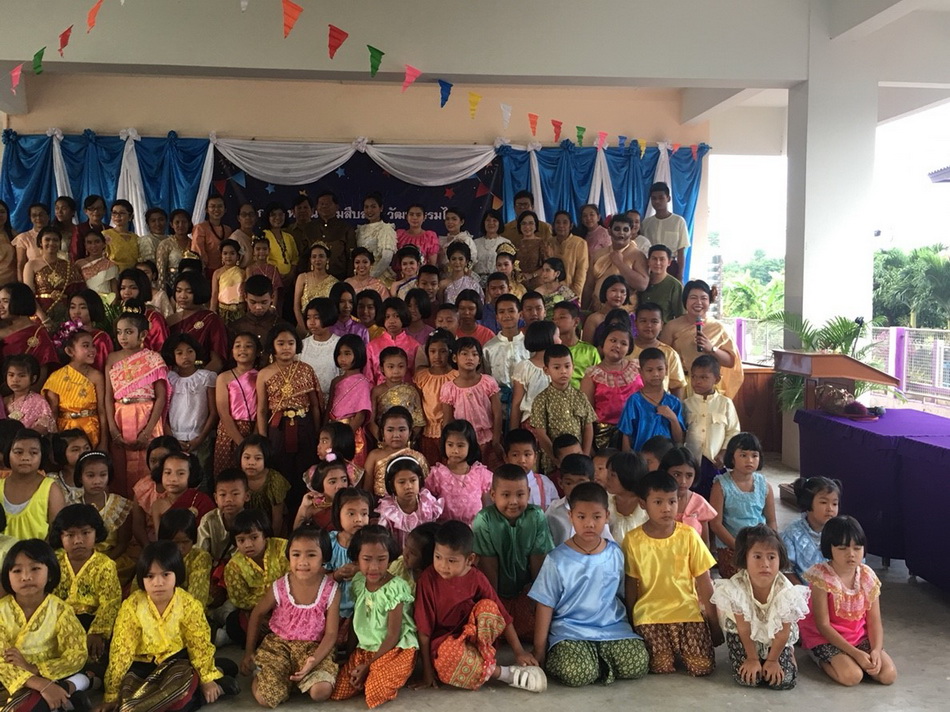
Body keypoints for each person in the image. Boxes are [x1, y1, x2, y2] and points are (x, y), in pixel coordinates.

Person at [530, 481, 648, 686]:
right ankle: (593, 664)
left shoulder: (615, 553)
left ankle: (597, 663)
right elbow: (545, 604)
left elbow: (624, 594)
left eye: (596, 517)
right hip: (570, 631)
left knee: (638, 663)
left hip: (612, 628)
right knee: (577, 673)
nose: (589, 524)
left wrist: (632, 627)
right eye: (581, 517)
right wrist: (539, 649)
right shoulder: (557, 559)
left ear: (607, 516)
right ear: (571, 517)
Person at [102, 541, 237, 712]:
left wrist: (207, 678)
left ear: (177, 574)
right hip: (142, 667)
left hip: (176, 663)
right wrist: (112, 694)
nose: (158, 582)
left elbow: (198, 643)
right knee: (127, 704)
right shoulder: (132, 606)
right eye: (150, 576)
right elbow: (121, 650)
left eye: (165, 574)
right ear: (142, 578)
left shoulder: (188, 604)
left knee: (180, 694)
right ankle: (217, 679)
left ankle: (206, 681)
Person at [413, 520, 546, 692]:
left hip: (476, 642)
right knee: (448, 656)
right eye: (438, 557)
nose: (443, 566)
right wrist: (427, 672)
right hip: (445, 646)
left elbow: (501, 614)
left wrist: (519, 652)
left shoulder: (476, 577)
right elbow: (424, 632)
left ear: (470, 559)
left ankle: (479, 662)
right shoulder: (427, 580)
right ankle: (505, 674)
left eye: (451, 560)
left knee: (488, 607)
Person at [623, 470, 721, 676]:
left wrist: (714, 625)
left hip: (687, 613)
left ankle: (679, 648)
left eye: (672, 501)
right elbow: (631, 584)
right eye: (658, 502)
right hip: (650, 616)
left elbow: (704, 582)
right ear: (643, 504)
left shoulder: (689, 535)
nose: (666, 508)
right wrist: (631, 621)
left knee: (702, 667)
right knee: (660, 666)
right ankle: (669, 650)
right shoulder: (632, 540)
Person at [240, 525, 341, 707]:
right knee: (265, 698)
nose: (302, 561)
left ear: (324, 557)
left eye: (311, 555)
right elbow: (257, 614)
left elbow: (331, 634)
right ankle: (267, 675)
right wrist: (249, 652)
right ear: (289, 556)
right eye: (296, 554)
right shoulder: (280, 586)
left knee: (321, 691)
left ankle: (295, 680)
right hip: (279, 648)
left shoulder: (331, 589)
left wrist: (313, 661)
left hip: (314, 649)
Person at [799, 516, 897, 686]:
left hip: (859, 637)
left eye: (857, 548)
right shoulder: (821, 577)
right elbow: (823, 625)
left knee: (888, 675)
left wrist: (875, 650)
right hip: (827, 638)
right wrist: (855, 654)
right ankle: (819, 659)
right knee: (852, 676)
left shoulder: (867, 576)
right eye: (842, 548)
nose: (851, 554)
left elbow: (874, 621)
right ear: (829, 548)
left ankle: (857, 659)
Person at [710, 524, 810, 690]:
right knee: (749, 679)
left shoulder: (786, 591)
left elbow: (782, 632)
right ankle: (755, 657)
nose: (765, 564)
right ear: (745, 559)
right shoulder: (737, 588)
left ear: (780, 560)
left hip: (776, 637)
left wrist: (772, 661)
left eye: (771, 557)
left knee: (783, 681)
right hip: (745, 636)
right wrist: (752, 659)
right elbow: (743, 628)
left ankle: (788, 652)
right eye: (757, 556)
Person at [329, 525, 418, 708]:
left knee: (374, 691)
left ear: (390, 558)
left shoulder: (396, 587)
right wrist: (351, 655)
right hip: (366, 647)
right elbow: (357, 620)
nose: (374, 567)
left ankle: (378, 673)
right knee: (338, 690)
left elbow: (393, 635)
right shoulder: (358, 582)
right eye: (367, 559)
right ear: (356, 559)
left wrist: (368, 665)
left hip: (396, 648)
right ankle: (372, 672)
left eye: (382, 559)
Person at [0, 539, 89, 712]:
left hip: (48, 675)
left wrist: (35, 669)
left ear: (50, 573)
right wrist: (40, 684)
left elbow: (76, 654)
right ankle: (71, 692)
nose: (26, 577)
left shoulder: (60, 610)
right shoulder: (2, 611)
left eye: (35, 569)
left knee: (30, 707)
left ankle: (68, 690)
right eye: (17, 571)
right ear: (7, 577)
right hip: (9, 678)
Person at [473, 464, 555, 640]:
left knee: (544, 621)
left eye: (520, 494)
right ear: (493, 495)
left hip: (526, 591)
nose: (513, 502)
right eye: (506, 495)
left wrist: (535, 599)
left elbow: (538, 562)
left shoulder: (536, 516)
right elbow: (489, 570)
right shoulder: (484, 520)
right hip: (496, 592)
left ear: (528, 493)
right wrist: (495, 607)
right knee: (488, 624)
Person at [256, 323, 321, 514]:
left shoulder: (306, 369)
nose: (286, 348)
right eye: (281, 343)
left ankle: (306, 512)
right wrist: (263, 439)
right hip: (277, 428)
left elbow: (315, 405)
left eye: (291, 343)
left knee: (306, 469)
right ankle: (282, 515)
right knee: (280, 469)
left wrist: (317, 432)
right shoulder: (264, 374)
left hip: (304, 426)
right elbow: (262, 410)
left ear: (297, 345)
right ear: (272, 346)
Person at [660, 279, 744, 398]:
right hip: (680, 386)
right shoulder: (672, 326)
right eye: (693, 298)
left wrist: (711, 349)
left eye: (704, 298)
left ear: (709, 301)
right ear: (685, 301)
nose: (698, 302)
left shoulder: (719, 328)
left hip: (709, 386)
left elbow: (731, 362)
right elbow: (662, 357)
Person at [710, 432, 776, 579]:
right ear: (732, 458)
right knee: (742, 577)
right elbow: (715, 524)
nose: (749, 460)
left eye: (754, 455)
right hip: (731, 546)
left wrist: (770, 544)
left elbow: (771, 521)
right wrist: (738, 546)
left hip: (760, 545)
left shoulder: (765, 486)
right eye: (743, 455)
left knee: (768, 574)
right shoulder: (721, 485)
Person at [224, 509, 289, 647]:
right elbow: (240, 600)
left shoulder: (283, 548)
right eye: (241, 540)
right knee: (235, 624)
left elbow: (296, 580)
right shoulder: (234, 566)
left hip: (290, 606)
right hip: (260, 612)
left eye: (254, 537)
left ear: (264, 535)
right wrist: (266, 606)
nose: (248, 545)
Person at [683, 354, 741, 498]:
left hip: (715, 461)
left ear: (717, 379)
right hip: (692, 462)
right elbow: (681, 432)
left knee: (715, 496)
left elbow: (733, 431)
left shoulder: (725, 403)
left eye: (703, 377)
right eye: (694, 376)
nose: (697, 381)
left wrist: (723, 453)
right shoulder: (686, 404)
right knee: (693, 497)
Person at [530, 345, 596, 469]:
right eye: (557, 367)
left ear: (573, 367)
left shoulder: (581, 396)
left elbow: (588, 427)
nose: (563, 371)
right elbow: (541, 434)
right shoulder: (541, 400)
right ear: (546, 370)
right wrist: (556, 459)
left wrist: (585, 455)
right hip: (553, 463)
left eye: (567, 366)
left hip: (579, 457)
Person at [440, 337, 502, 468]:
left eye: (474, 354)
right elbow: (448, 420)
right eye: (464, 354)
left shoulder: (488, 382)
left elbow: (497, 413)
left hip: (487, 438)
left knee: (488, 472)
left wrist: (496, 439)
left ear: (479, 359)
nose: (470, 358)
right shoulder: (448, 388)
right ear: (455, 358)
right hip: (462, 441)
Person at [163, 333, 218, 476]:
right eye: (179, 353)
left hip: (199, 436)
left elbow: (213, 412)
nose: (185, 356)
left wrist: (201, 437)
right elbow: (163, 412)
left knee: (200, 475)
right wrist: (172, 438)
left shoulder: (207, 377)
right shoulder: (169, 378)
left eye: (190, 351)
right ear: (172, 355)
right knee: (178, 474)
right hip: (175, 437)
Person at [581, 324, 641, 450]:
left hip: (637, 431)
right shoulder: (592, 375)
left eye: (623, 343)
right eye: (613, 340)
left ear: (629, 348)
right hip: (605, 437)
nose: (617, 345)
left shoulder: (637, 369)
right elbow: (586, 415)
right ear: (603, 342)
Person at [44, 331, 106, 449]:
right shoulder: (56, 377)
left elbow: (102, 410)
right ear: (70, 351)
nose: (92, 350)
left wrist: (104, 443)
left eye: (93, 345)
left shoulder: (97, 376)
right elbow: (53, 413)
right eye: (86, 346)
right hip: (65, 432)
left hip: (92, 430)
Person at [0, 429, 65, 540]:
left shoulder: (51, 489)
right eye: (18, 452)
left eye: (33, 453)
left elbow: (56, 535)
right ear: (8, 454)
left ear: (42, 456)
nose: (25, 458)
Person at [425, 420, 492, 526]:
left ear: (470, 446)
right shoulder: (437, 475)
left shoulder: (480, 474)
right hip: (445, 529)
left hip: (473, 530)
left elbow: (487, 507)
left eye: (460, 446)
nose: (455, 450)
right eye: (450, 445)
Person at [618, 347, 685, 452]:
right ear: (640, 372)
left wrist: (673, 419)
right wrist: (628, 460)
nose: (655, 374)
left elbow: (679, 440)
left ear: (666, 369)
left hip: (667, 458)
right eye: (649, 370)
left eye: (660, 369)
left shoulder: (674, 402)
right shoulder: (634, 401)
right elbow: (626, 435)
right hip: (641, 458)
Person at [325, 488, 373, 634]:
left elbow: (383, 570)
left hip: (362, 608)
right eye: (351, 513)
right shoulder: (329, 542)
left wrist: (360, 569)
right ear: (337, 514)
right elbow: (317, 579)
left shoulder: (371, 543)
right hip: (332, 608)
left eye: (364, 514)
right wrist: (337, 575)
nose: (359, 519)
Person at [214, 333, 260, 476]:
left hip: (255, 428)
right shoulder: (223, 377)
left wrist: (255, 436)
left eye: (248, 346)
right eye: (238, 346)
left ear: (257, 352)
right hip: (229, 430)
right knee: (227, 473)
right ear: (232, 351)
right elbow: (223, 412)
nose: (242, 349)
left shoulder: (261, 376)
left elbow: (263, 409)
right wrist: (240, 442)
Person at [581, 214, 649, 312]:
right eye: (617, 229)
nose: (621, 233)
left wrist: (620, 264)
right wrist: (583, 311)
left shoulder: (637, 255)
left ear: (631, 233)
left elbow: (642, 285)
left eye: (625, 230)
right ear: (609, 231)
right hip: (598, 310)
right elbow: (589, 286)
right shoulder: (599, 254)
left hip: (624, 313)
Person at [781, 476, 842, 584]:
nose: (830, 509)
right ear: (807, 502)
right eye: (823, 502)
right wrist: (802, 591)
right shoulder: (792, 534)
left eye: (834, 504)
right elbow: (786, 570)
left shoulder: (842, 532)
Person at [543, 454, 611, 546]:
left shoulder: (598, 510)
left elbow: (607, 542)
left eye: (581, 483)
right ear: (560, 483)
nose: (574, 488)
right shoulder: (553, 511)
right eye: (568, 483)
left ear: (592, 482)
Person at [482, 294, 528, 430]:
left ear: (520, 314)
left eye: (511, 311)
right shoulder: (488, 347)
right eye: (502, 312)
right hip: (499, 406)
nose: (507, 315)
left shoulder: (528, 344)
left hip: (525, 405)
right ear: (496, 317)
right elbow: (487, 378)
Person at [412, 330, 457, 464]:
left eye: (442, 351)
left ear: (450, 353)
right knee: (430, 466)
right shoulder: (422, 376)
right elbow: (417, 404)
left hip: (452, 430)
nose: (437, 356)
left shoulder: (456, 376)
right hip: (428, 430)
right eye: (432, 351)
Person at [363, 407, 428, 498]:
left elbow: (424, 490)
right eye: (390, 430)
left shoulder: (418, 457)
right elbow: (367, 491)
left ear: (410, 432)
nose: (396, 435)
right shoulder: (374, 456)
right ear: (382, 432)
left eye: (402, 430)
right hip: (380, 504)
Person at [0, 282, 60, 382]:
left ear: (20, 302)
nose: (0, 306)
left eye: (5, 301)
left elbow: (40, 376)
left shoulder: (38, 334)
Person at [24, 226, 83, 324]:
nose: (51, 243)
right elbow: (28, 295)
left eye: (55, 240)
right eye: (47, 240)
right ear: (40, 242)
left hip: (65, 316)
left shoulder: (68, 266)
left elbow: (77, 292)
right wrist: (43, 318)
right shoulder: (31, 265)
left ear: (60, 243)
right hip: (39, 316)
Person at [662, 446, 717, 549]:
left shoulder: (699, 503)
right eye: (676, 474)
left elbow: (705, 544)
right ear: (664, 472)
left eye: (689, 475)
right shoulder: (656, 501)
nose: (683, 481)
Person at [156, 509, 213, 608]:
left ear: (193, 540)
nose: (180, 548)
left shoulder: (200, 558)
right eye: (175, 543)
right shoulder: (155, 557)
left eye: (185, 542)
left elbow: (196, 599)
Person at [149, 451, 215, 536]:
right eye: (168, 473)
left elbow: (212, 532)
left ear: (191, 475)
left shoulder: (201, 500)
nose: (173, 479)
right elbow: (160, 538)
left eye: (181, 473)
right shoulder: (157, 505)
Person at [239, 435, 290, 538]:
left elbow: (277, 519)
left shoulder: (274, 480)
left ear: (266, 459)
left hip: (270, 530)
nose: (251, 463)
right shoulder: (237, 478)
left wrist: (271, 542)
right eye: (247, 457)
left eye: (257, 458)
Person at [633, 302, 687, 399]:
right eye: (643, 321)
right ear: (635, 323)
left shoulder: (670, 354)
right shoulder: (626, 350)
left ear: (661, 325)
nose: (648, 325)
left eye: (654, 321)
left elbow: (677, 388)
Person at [371, 347, 425, 443]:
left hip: (407, 440)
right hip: (384, 441)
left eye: (401, 366)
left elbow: (419, 421)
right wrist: (381, 438)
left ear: (406, 367)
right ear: (382, 368)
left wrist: (409, 438)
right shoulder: (376, 391)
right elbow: (371, 420)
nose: (396, 371)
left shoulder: (412, 391)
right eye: (391, 367)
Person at [509, 321, 556, 431]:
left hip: (556, 422)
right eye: (557, 336)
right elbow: (517, 403)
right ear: (547, 338)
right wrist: (513, 432)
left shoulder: (560, 367)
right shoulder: (525, 367)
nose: (561, 340)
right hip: (533, 424)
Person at [197, 468, 249, 567]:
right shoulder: (209, 520)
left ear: (247, 496)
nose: (228, 499)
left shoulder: (251, 522)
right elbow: (201, 553)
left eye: (235, 494)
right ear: (216, 498)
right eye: (223, 495)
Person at [640, 182, 690, 279]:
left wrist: (680, 275)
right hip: (650, 267)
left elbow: (681, 251)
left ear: (668, 198)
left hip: (671, 267)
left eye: (661, 198)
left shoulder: (679, 221)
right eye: (654, 198)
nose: (657, 201)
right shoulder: (646, 223)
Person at [365, 297, 419, 385]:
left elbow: (418, 377)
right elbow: (369, 378)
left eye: (396, 316)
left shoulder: (414, 345)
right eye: (387, 317)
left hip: (407, 391)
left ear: (403, 316)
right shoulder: (372, 346)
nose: (391, 321)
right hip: (380, 391)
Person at [298, 297, 341, 406]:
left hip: (334, 402)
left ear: (328, 317)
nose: (312, 322)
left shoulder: (339, 344)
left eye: (317, 317)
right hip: (307, 404)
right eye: (309, 318)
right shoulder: (302, 345)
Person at [505, 428, 558, 510]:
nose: (522, 460)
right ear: (506, 458)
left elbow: (556, 512)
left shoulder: (545, 484)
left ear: (535, 457)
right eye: (515, 455)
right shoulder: (500, 484)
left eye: (527, 454)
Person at [4, 355, 56, 434]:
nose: (15, 380)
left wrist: (24, 436)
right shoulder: (4, 401)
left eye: (22, 376)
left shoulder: (39, 401)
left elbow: (44, 426)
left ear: (33, 378)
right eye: (11, 375)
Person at [293, 243, 339, 333]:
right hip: (303, 327)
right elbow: (296, 307)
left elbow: (334, 311)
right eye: (314, 257)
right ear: (310, 259)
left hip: (325, 329)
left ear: (327, 259)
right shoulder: (302, 278)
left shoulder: (334, 282)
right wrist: (305, 330)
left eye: (321, 256)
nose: (317, 259)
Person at [551, 301, 598, 389]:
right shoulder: (550, 350)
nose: (556, 321)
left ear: (576, 322)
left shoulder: (590, 351)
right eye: (554, 318)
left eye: (562, 317)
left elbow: (598, 380)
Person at [603, 451, 648, 543]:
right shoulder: (603, 501)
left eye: (613, 475)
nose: (607, 478)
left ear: (628, 476)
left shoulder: (647, 506)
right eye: (608, 473)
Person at [311, 191, 356, 281]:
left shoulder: (346, 228)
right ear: (317, 207)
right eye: (321, 204)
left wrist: (349, 280)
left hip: (339, 279)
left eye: (328, 204)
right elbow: (303, 258)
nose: (324, 206)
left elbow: (351, 257)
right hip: (312, 279)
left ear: (337, 207)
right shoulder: (309, 228)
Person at [581, 275, 633, 345]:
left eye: (622, 292)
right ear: (605, 291)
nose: (618, 295)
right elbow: (586, 347)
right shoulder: (594, 319)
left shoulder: (629, 318)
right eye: (614, 290)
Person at [227, 274, 281, 343]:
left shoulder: (280, 327)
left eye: (264, 302)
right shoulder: (235, 328)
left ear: (272, 297)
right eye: (253, 302)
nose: (258, 307)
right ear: (245, 297)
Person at [355, 192, 397, 279]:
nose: (369, 210)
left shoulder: (386, 229)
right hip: (361, 274)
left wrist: (371, 277)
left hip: (380, 276)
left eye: (373, 207)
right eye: (366, 207)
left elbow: (386, 258)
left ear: (381, 208)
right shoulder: (360, 230)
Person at [261, 202, 300, 293]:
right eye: (273, 215)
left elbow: (295, 259)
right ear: (267, 217)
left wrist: (291, 274)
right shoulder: (262, 236)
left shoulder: (289, 237)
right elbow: (259, 259)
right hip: (269, 281)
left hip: (289, 283)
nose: (278, 218)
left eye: (280, 214)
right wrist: (276, 275)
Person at [638, 244, 684, 321]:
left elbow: (681, 316)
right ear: (648, 261)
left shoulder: (675, 285)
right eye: (654, 259)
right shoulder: (642, 281)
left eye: (662, 259)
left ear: (669, 262)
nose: (658, 263)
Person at [191, 195, 232, 276]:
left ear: (225, 210)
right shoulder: (200, 228)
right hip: (205, 272)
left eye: (220, 206)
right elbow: (197, 251)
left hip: (225, 271)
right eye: (212, 206)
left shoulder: (228, 230)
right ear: (206, 210)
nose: (216, 209)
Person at [550, 210, 588, 297]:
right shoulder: (549, 242)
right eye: (558, 222)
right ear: (553, 225)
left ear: (571, 226)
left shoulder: (579, 243)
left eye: (565, 222)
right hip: (550, 292)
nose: (561, 225)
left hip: (571, 291)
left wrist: (575, 293)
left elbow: (582, 269)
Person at [155, 209, 193, 294]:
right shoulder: (165, 244)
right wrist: (162, 293)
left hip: (191, 286)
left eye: (184, 222)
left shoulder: (194, 243)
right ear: (171, 224)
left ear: (189, 224)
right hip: (171, 286)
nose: (181, 225)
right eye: (177, 222)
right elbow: (161, 270)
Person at [75, 230, 119, 302]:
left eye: (97, 242)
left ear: (104, 244)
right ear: (85, 245)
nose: (93, 246)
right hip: (86, 302)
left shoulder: (110, 265)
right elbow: (76, 287)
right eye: (89, 243)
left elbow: (114, 291)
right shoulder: (79, 264)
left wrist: (112, 307)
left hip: (106, 303)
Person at [472, 209, 513, 284]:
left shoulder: (506, 242)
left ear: (499, 223)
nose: (491, 223)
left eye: (494, 220)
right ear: (484, 223)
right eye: (488, 220)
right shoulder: (475, 243)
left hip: (499, 282)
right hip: (477, 282)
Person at [13, 202, 50, 281]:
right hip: (32, 279)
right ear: (30, 218)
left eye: (41, 214)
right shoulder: (24, 238)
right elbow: (21, 264)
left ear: (48, 216)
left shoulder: (56, 235)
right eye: (34, 215)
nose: (38, 218)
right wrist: (21, 285)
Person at [210, 240, 245, 323]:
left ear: (238, 256)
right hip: (222, 310)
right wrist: (212, 309)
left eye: (232, 253)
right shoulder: (217, 273)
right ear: (221, 256)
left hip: (239, 310)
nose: (228, 256)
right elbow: (215, 292)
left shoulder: (243, 273)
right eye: (225, 253)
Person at [245, 236, 284, 309]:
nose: (261, 252)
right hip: (255, 303)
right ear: (253, 251)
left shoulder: (273, 268)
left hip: (270, 303)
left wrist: (273, 306)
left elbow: (275, 289)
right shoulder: (250, 269)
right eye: (258, 249)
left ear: (269, 250)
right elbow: (249, 289)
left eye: (264, 249)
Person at [102, 200, 140, 273]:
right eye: (114, 213)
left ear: (130, 216)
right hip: (112, 275)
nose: (117, 216)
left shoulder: (136, 238)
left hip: (132, 276)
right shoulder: (105, 235)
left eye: (122, 213)